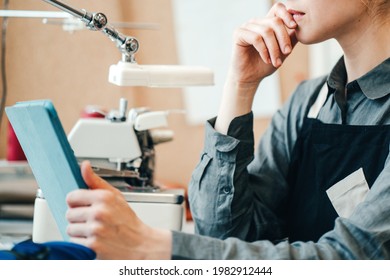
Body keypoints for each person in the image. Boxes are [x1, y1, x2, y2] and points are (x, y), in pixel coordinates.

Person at [65, 0, 390, 259]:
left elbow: (350, 259)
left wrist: (153, 246)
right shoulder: (308, 101)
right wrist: (240, 84)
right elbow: (225, 233)